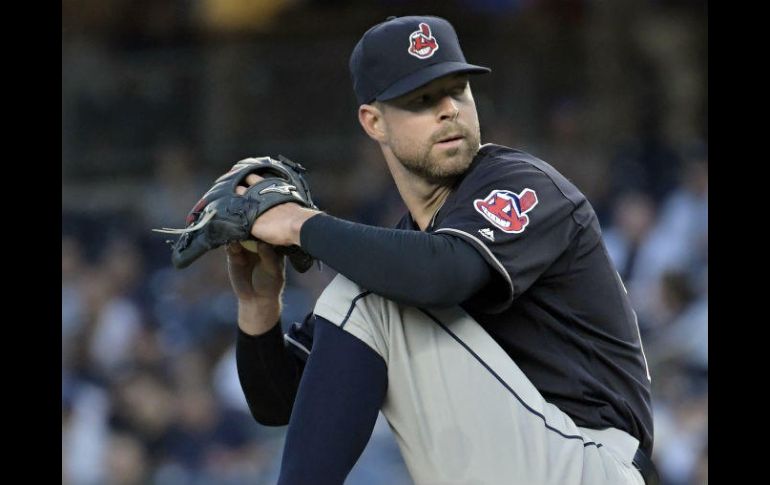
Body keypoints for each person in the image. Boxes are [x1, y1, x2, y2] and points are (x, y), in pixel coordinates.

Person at [227, 15, 657, 485]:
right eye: (422, 99)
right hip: (511, 463)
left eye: (458, 90)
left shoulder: (521, 183)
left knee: (367, 296)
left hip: (588, 459)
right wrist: (259, 306)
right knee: (368, 296)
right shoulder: (405, 255)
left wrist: (298, 222)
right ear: (374, 122)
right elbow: (281, 403)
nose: (449, 109)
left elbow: (443, 275)